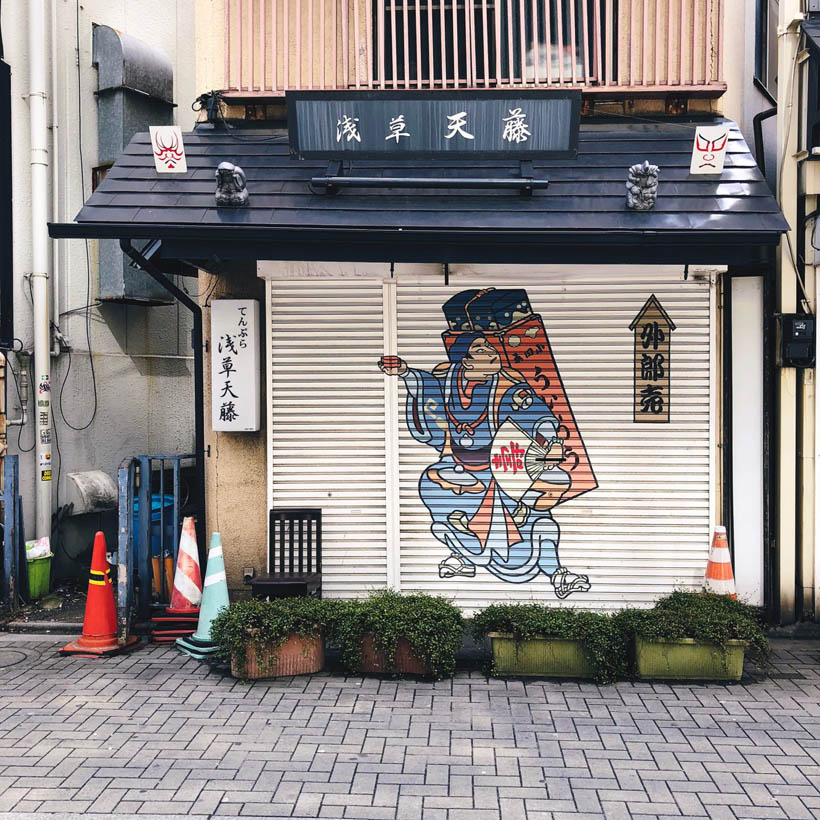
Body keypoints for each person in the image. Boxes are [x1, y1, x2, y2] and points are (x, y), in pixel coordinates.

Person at [379, 333, 590, 596]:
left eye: (489, 345)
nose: (492, 350)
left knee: (538, 514)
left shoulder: (506, 387)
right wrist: (404, 372)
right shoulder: (447, 383)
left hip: (505, 466)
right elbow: (424, 387)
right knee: (431, 485)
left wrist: (551, 442)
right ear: (466, 361)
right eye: (481, 348)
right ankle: (464, 559)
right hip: (461, 466)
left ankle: (559, 575)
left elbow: (536, 414)